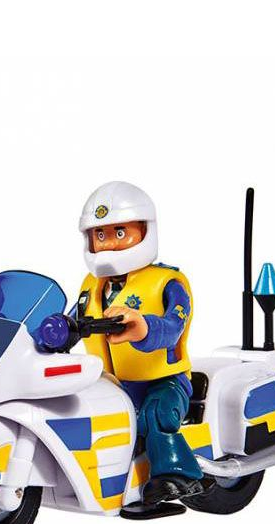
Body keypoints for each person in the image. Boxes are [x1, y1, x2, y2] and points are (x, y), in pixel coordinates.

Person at [77, 181, 205, 506]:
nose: (108, 243)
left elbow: (174, 326)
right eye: (100, 234)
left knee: (155, 413)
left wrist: (144, 328)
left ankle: (176, 475)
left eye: (120, 233)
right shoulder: (91, 286)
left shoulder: (167, 282)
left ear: (145, 230)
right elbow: (69, 322)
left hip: (164, 381)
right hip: (110, 381)